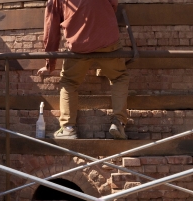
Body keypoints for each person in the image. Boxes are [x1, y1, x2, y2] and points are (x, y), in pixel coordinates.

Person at [37, 0, 130, 140]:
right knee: (119, 77)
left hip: (79, 46)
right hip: (108, 41)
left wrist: (50, 63)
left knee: (69, 82)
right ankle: (119, 123)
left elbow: (51, 29)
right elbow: (113, 5)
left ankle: (68, 128)